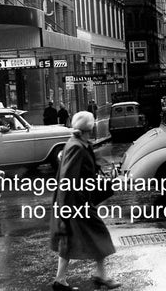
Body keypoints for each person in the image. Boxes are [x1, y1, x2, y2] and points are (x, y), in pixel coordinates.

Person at [49, 111, 120, 291]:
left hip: (76, 203)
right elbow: (67, 180)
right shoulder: (76, 147)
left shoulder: (79, 144)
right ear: (89, 127)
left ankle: (61, 280)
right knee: (99, 234)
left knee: (70, 239)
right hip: (76, 205)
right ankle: (99, 276)